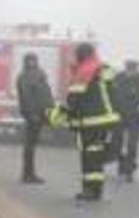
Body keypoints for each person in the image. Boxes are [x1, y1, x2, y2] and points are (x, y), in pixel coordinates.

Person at [51, 42, 121, 201]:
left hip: (90, 122)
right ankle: (96, 190)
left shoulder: (83, 72)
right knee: (96, 154)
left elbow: (74, 100)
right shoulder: (104, 69)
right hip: (107, 120)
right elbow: (115, 91)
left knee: (89, 155)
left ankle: (90, 190)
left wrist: (62, 117)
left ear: (81, 55)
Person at [112, 59, 139, 182]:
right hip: (119, 115)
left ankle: (129, 170)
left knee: (132, 144)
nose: (131, 71)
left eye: (133, 69)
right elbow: (109, 94)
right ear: (125, 68)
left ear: (137, 69)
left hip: (135, 117)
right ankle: (122, 164)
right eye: (129, 68)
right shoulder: (118, 78)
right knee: (116, 143)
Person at [16, 52, 53, 184]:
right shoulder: (25, 76)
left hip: (41, 113)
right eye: (29, 60)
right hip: (33, 115)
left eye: (34, 60)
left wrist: (50, 110)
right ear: (25, 62)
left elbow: (46, 95)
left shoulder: (40, 74)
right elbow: (27, 98)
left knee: (32, 145)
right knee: (29, 146)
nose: (32, 62)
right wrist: (32, 114)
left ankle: (30, 174)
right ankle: (27, 175)